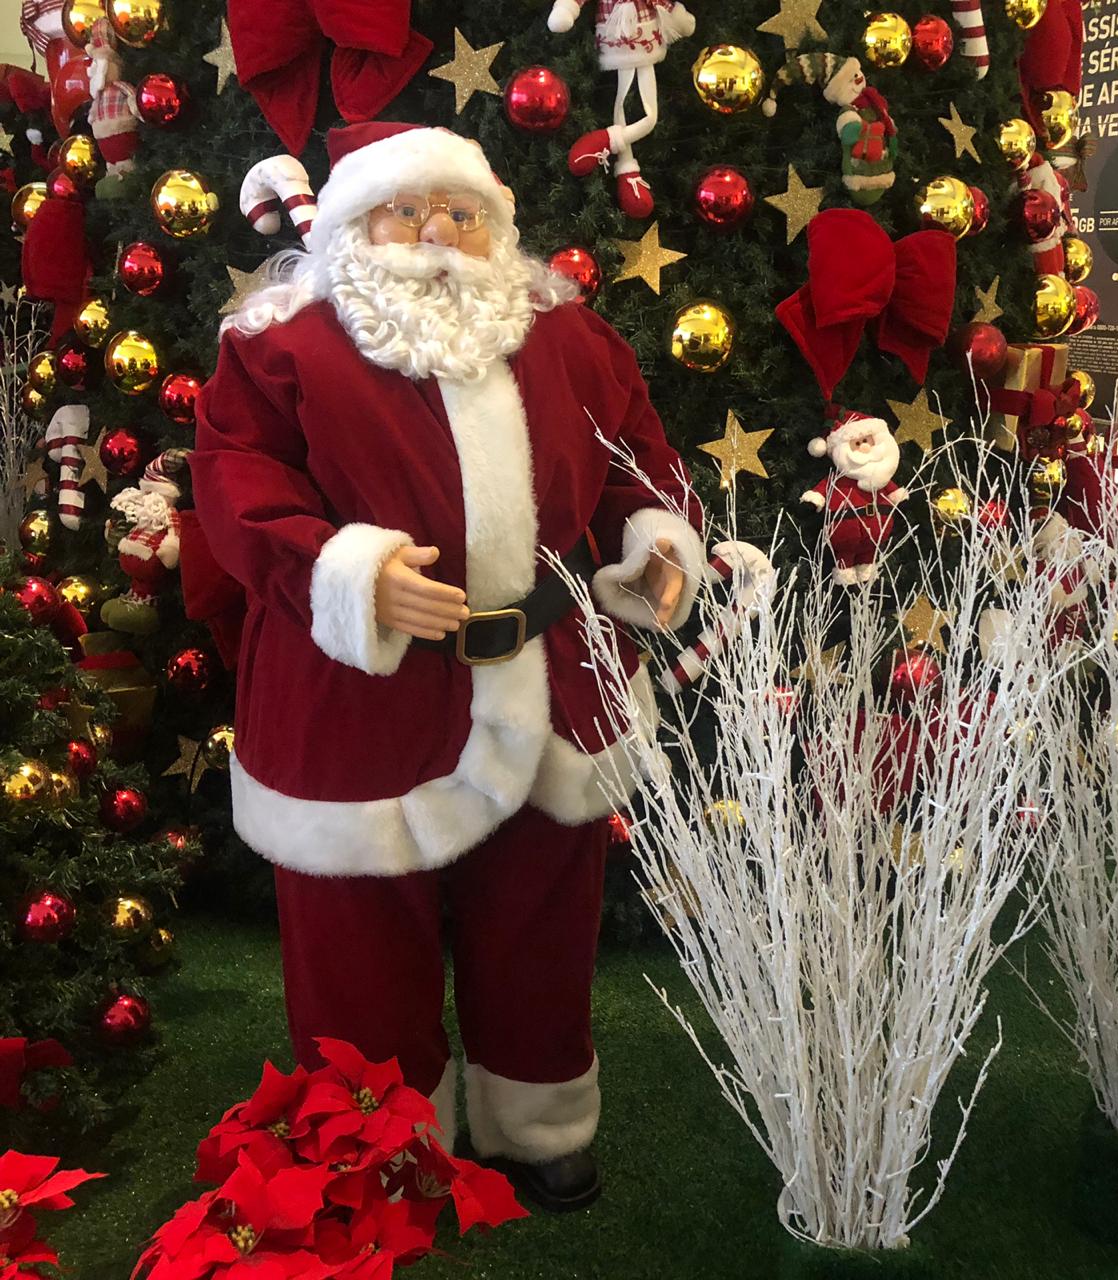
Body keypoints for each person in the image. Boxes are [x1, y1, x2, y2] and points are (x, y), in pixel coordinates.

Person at [191, 121, 704, 1212]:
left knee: (540, 919)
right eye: (407, 210)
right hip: (358, 690)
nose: (437, 232)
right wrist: (349, 574)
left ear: (496, 227)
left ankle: (537, 1119)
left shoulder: (569, 337)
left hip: (550, 673)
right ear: (352, 227)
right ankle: (374, 1143)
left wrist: (656, 544)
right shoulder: (281, 347)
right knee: (358, 940)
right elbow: (236, 486)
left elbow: (636, 461)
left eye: (462, 213)